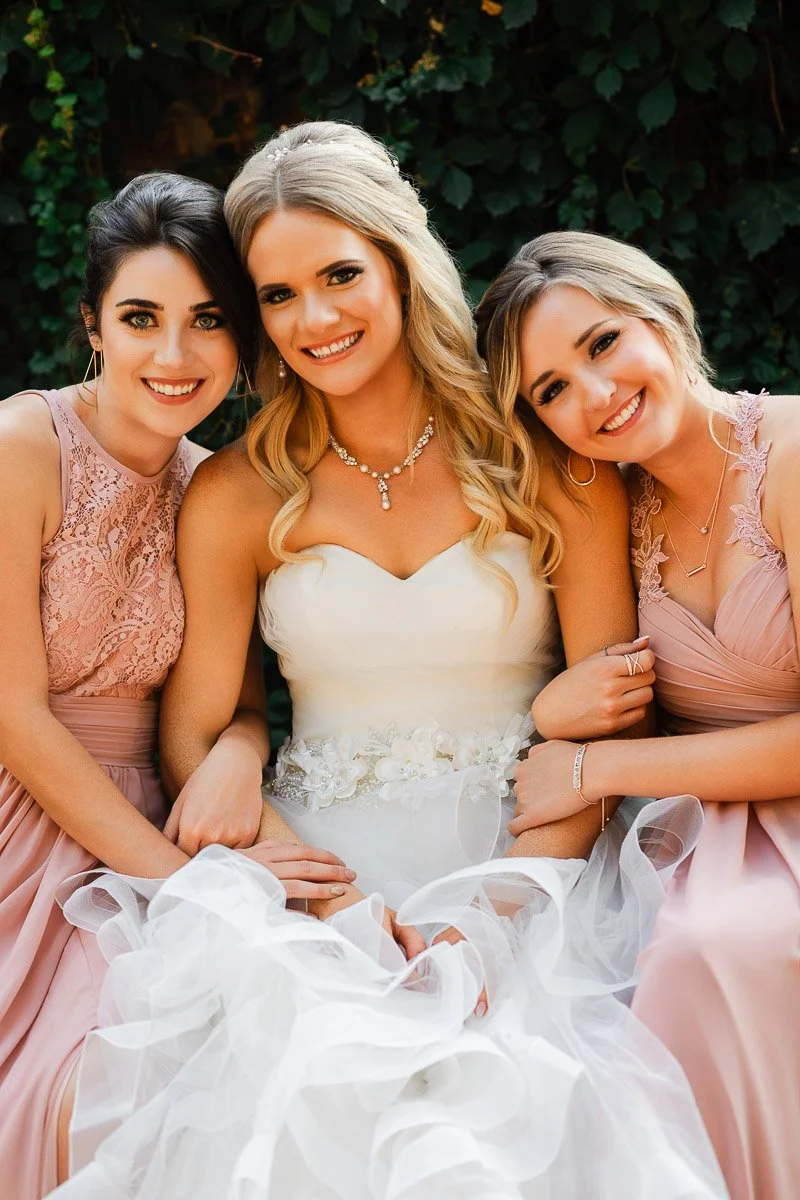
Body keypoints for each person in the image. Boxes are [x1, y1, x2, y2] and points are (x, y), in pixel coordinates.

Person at [54, 127, 725, 1199]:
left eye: (339, 275)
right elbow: (195, 734)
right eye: (278, 296)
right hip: (321, 873)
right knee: (315, 1087)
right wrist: (334, 913)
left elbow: (614, 715)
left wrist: (495, 924)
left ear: (400, 263)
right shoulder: (234, 493)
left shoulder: (546, 459)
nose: (314, 319)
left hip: (533, 861)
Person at [0, 172, 355, 1199]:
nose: (174, 355)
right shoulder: (22, 447)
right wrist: (187, 884)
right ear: (92, 327)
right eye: (140, 318)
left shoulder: (217, 486)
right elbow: (12, 714)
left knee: (238, 1055)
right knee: (91, 1100)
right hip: (29, 820)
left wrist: (239, 753)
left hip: (147, 824)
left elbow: (233, 705)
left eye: (207, 321)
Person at [476, 229, 800, 1200]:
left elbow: (612, 760)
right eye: (552, 390)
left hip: (760, 821)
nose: (595, 393)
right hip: (702, 831)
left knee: (710, 950)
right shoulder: (612, 511)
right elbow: (613, 702)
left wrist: (596, 770)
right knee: (583, 994)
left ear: (659, 313)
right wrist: (555, 707)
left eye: (602, 343)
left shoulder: (789, 456)